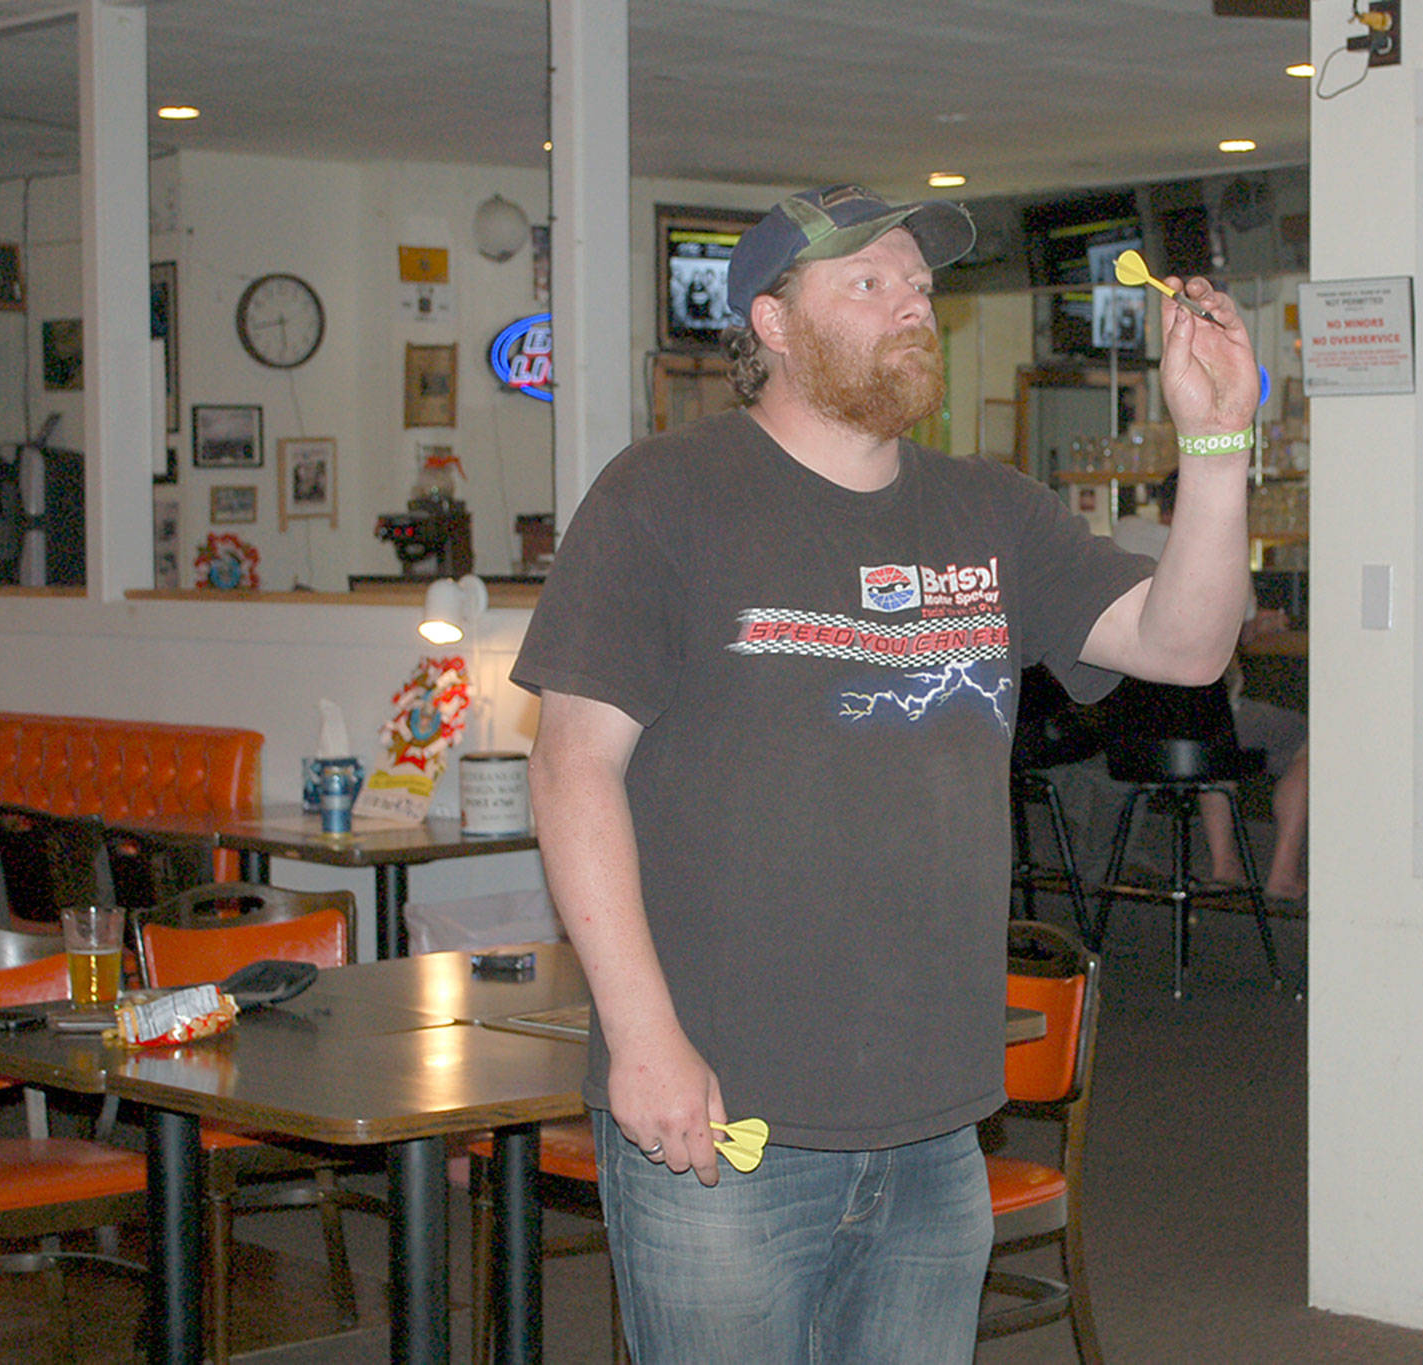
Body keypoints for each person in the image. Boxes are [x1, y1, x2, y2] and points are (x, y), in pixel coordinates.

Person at [510, 183, 1263, 1362]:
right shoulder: (663, 496)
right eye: (869, 283)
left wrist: (1217, 444)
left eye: (918, 286)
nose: (912, 305)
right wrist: (642, 1036)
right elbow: (570, 773)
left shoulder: (989, 510)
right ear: (769, 322)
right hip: (724, 1106)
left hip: (936, 1111)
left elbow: (1186, 643)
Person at [1114, 470, 1308, 901]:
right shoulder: (1222, 552)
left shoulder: (1121, 535)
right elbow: (1239, 630)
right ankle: (1281, 875)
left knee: (1207, 723)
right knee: (1312, 738)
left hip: (1130, 728)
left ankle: (1225, 864)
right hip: (1207, 722)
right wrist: (1262, 624)